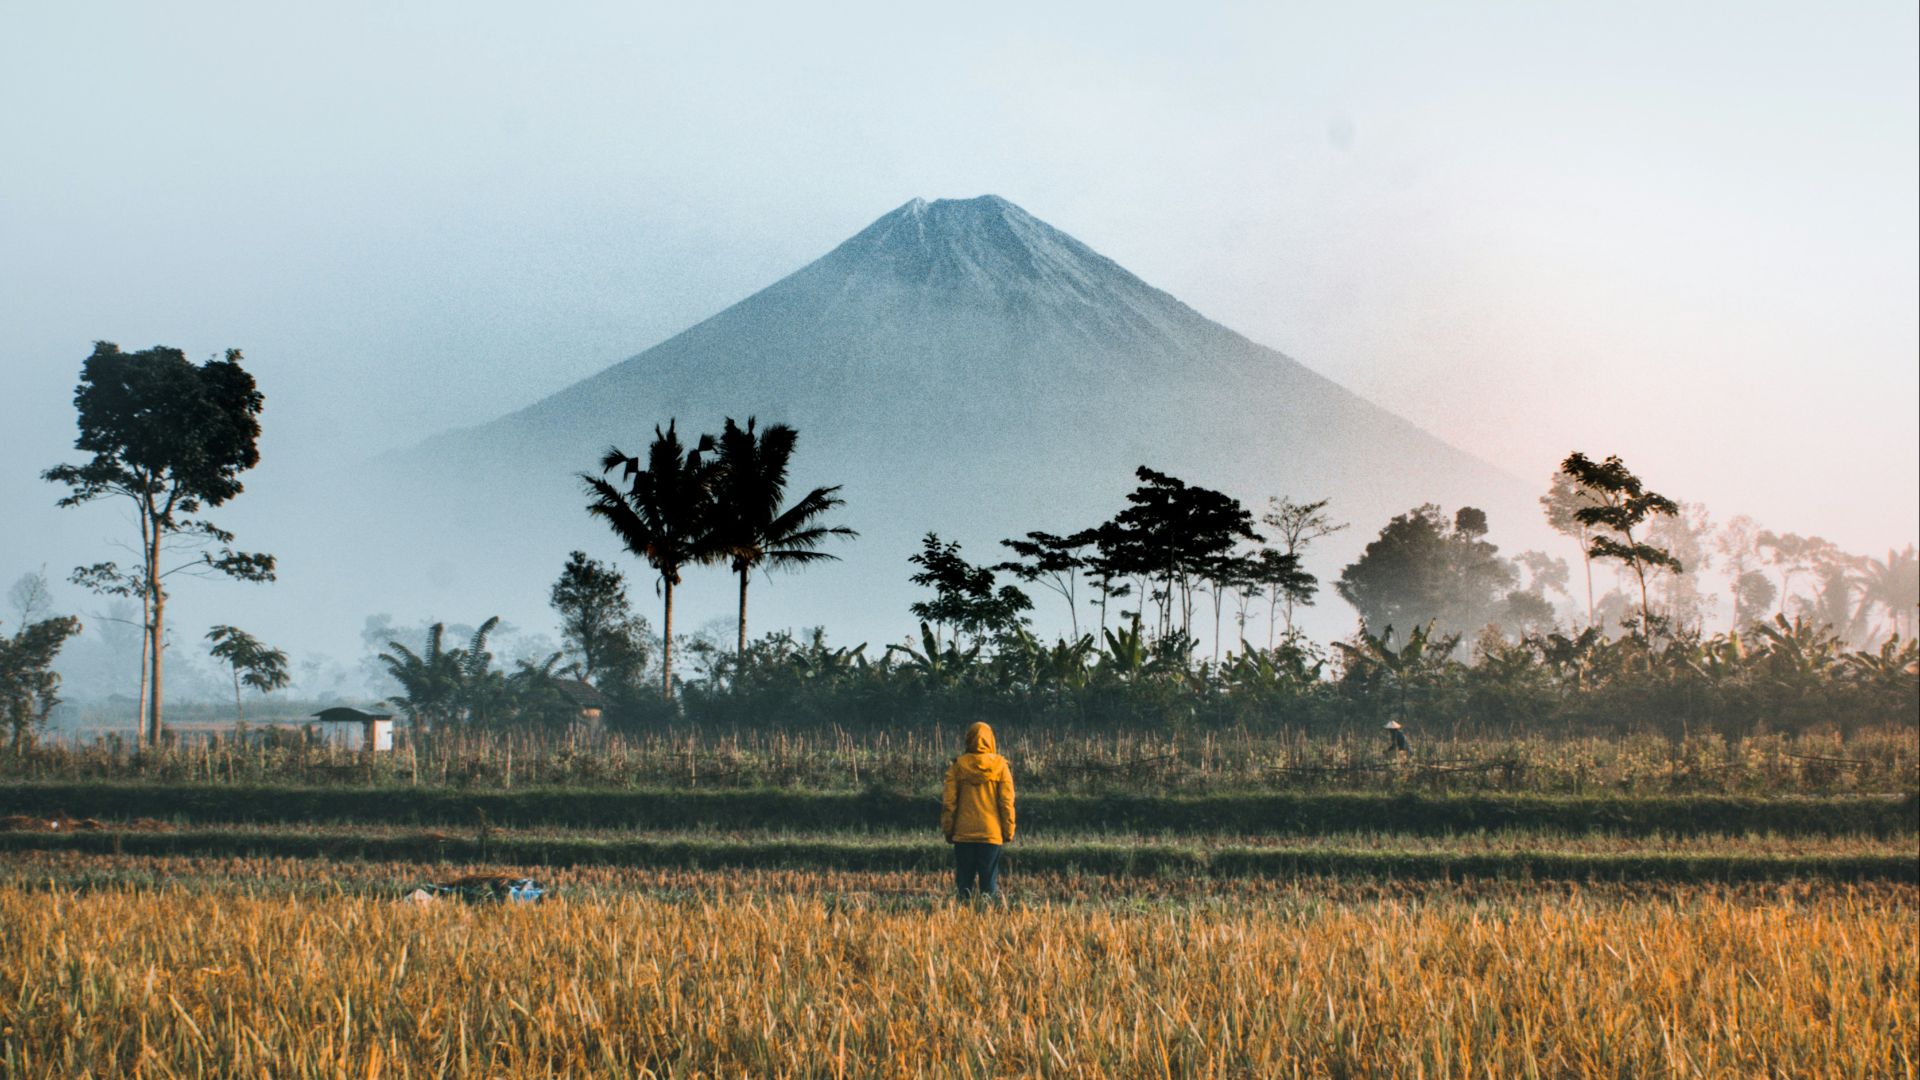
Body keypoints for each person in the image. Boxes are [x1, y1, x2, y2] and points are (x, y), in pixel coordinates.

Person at [941, 720, 1016, 900]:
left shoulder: (957, 767)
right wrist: (1008, 831)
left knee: (964, 885)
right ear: (991, 740)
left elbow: (949, 803)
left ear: (969, 739)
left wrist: (948, 830)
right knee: (988, 883)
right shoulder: (1000, 767)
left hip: (963, 834)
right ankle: (988, 919)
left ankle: (961, 920)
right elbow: (1006, 802)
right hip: (991, 833)